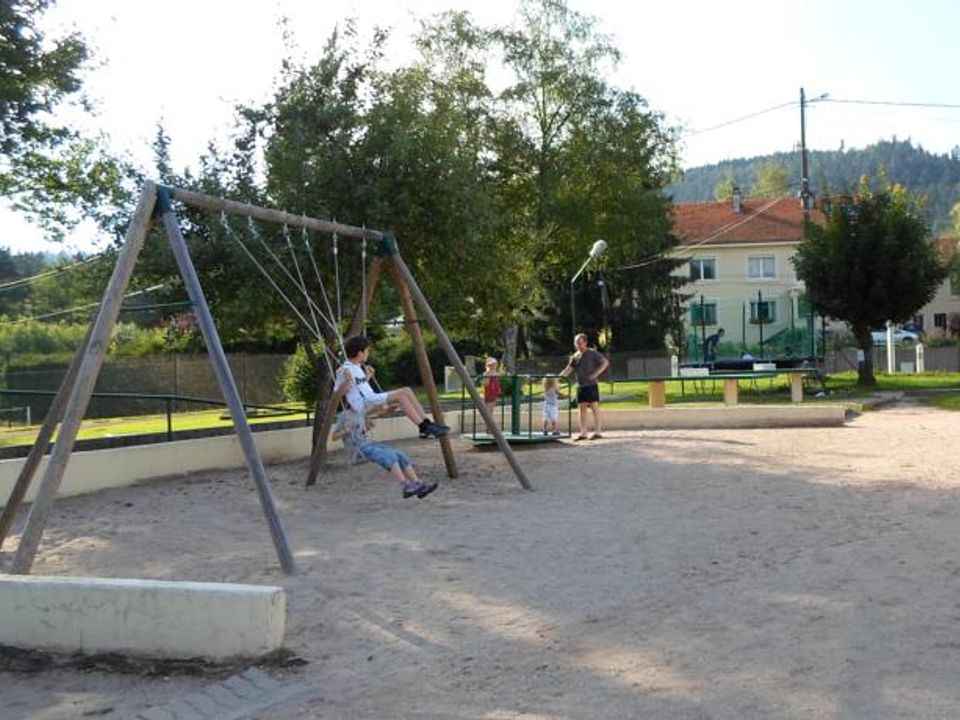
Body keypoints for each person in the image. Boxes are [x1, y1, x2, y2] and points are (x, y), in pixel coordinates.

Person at [337, 335, 449, 439]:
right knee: (401, 396)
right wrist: (346, 382)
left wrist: (367, 378)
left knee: (407, 390)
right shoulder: (344, 369)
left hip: (370, 398)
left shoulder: (356, 367)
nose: (368, 354)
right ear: (360, 352)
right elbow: (338, 392)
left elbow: (357, 387)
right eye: (367, 351)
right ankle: (423, 427)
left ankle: (426, 424)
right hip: (363, 403)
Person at [331, 409, 438, 499]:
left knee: (399, 454)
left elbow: (361, 430)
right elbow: (334, 437)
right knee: (389, 456)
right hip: (358, 450)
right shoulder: (344, 415)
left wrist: (368, 426)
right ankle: (405, 486)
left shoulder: (360, 412)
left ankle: (418, 485)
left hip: (370, 444)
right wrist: (345, 430)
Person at [559, 333, 609, 441]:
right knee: (581, 408)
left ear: (585, 343)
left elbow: (605, 362)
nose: (578, 345)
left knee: (595, 407)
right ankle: (583, 433)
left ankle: (598, 432)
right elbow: (568, 369)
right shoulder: (575, 356)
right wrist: (558, 378)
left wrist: (596, 374)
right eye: (576, 343)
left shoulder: (592, 353)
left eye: (580, 343)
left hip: (591, 385)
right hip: (581, 386)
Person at [482, 357, 502, 424]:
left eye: (494, 365)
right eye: (492, 365)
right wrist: (489, 376)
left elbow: (497, 384)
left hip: (493, 393)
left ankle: (490, 427)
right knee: (488, 411)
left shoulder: (495, 374)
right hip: (489, 393)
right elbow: (486, 384)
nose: (493, 366)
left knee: (489, 411)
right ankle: (490, 427)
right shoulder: (487, 374)